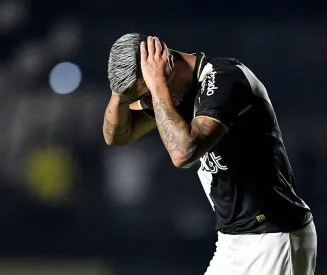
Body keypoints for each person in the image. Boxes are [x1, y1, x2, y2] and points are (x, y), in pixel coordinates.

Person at [103, 33, 317, 275]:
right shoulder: (170, 93)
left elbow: (183, 153)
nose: (148, 103)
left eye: (146, 95)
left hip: (273, 237)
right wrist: (119, 94)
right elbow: (116, 136)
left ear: (166, 66)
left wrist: (157, 87)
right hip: (232, 239)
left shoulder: (225, 79)